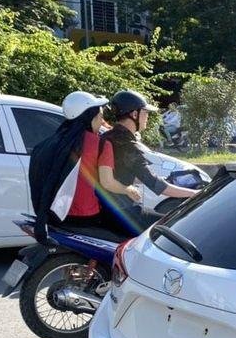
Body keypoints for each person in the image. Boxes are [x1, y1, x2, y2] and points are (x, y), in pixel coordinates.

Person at [97, 90, 199, 235]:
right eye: (145, 112)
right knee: (174, 227)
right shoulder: (126, 144)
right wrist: (194, 194)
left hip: (110, 209)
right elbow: (156, 185)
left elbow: (121, 171)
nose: (147, 117)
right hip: (122, 212)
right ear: (134, 114)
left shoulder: (110, 136)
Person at [28, 90, 110, 242]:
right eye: (100, 117)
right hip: (85, 215)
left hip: (54, 214)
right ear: (89, 118)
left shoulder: (52, 141)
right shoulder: (99, 144)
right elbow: (108, 181)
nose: (101, 122)